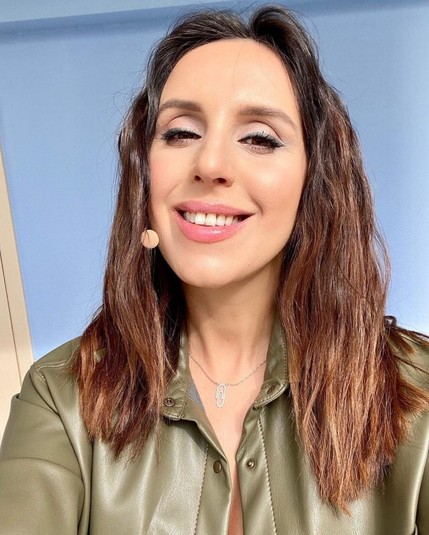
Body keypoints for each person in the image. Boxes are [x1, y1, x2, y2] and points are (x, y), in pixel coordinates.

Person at [0, 5, 428, 535]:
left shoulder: (417, 392)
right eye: (181, 133)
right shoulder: (60, 396)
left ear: (314, 181)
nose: (210, 165)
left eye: (259, 138)